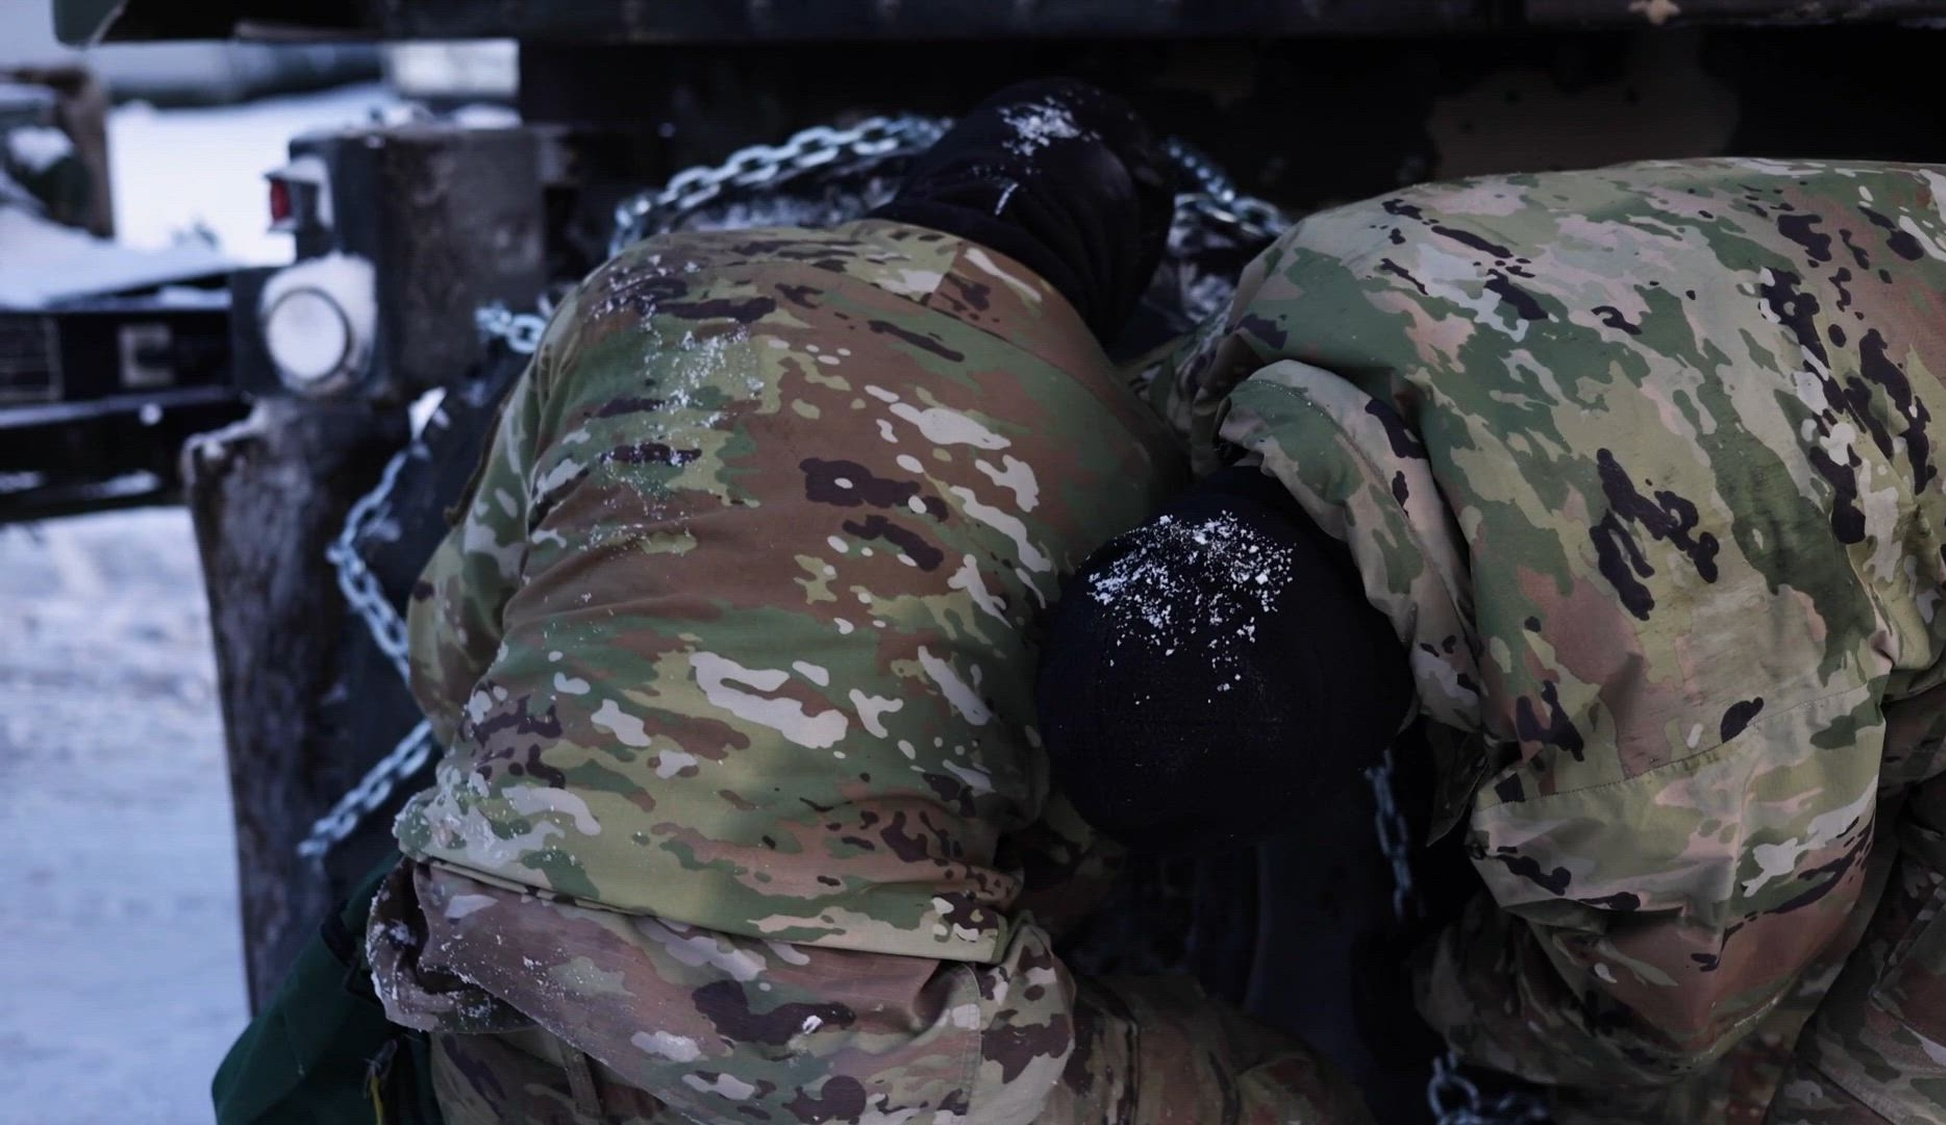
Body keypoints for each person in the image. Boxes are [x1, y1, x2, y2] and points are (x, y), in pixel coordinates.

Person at [364, 79, 1367, 1125]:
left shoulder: (638, 294)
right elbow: (1084, 833)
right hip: (846, 1036)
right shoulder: (1121, 447)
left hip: (492, 943)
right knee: (1271, 1094)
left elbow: (451, 645)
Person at [1038, 158, 1946, 1123]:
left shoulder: (1657, 726)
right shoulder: (1310, 283)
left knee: (1882, 1089)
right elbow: (1139, 429)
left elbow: (1657, 1014)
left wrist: (1430, 994)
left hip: (1806, 533)